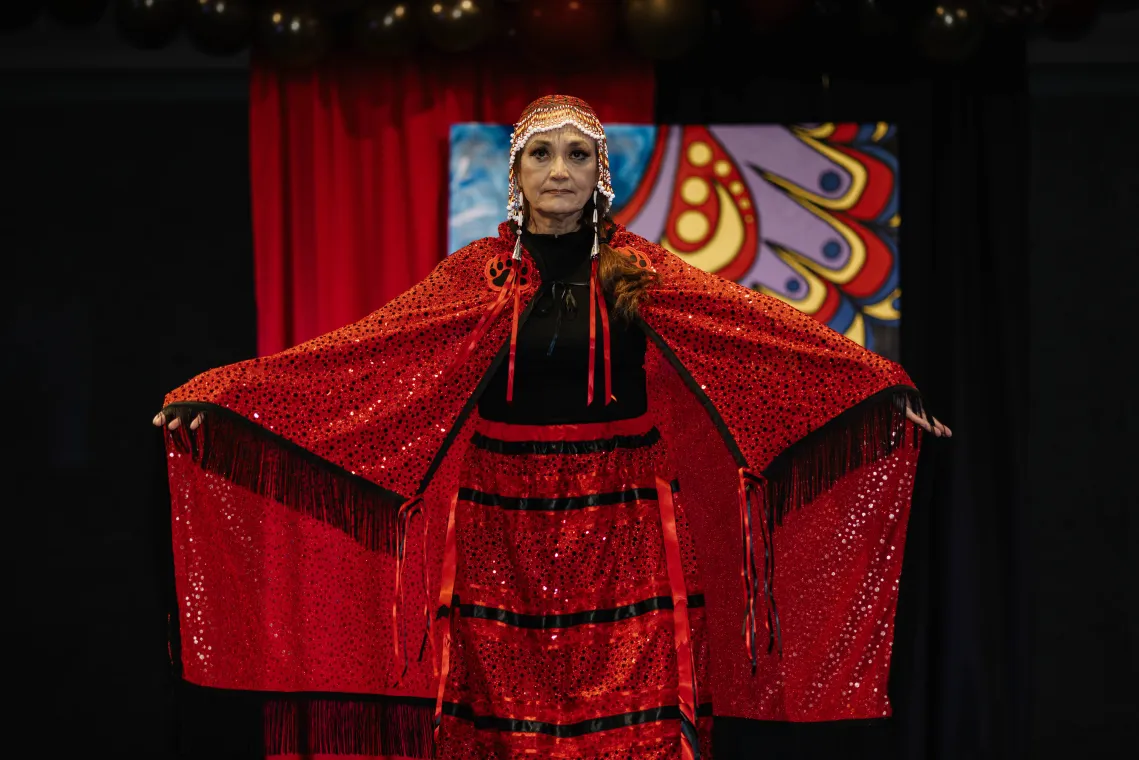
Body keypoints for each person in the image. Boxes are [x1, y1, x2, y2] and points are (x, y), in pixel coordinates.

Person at [154, 95, 949, 760]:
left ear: (599, 173)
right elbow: (358, 356)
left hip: (625, 517)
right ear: (517, 175)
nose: (559, 170)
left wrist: (877, 387)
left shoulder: (644, 271)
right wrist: (224, 394)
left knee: (631, 724)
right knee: (504, 723)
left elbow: (767, 339)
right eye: (541, 155)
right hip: (502, 517)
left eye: (575, 154)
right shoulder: (478, 274)